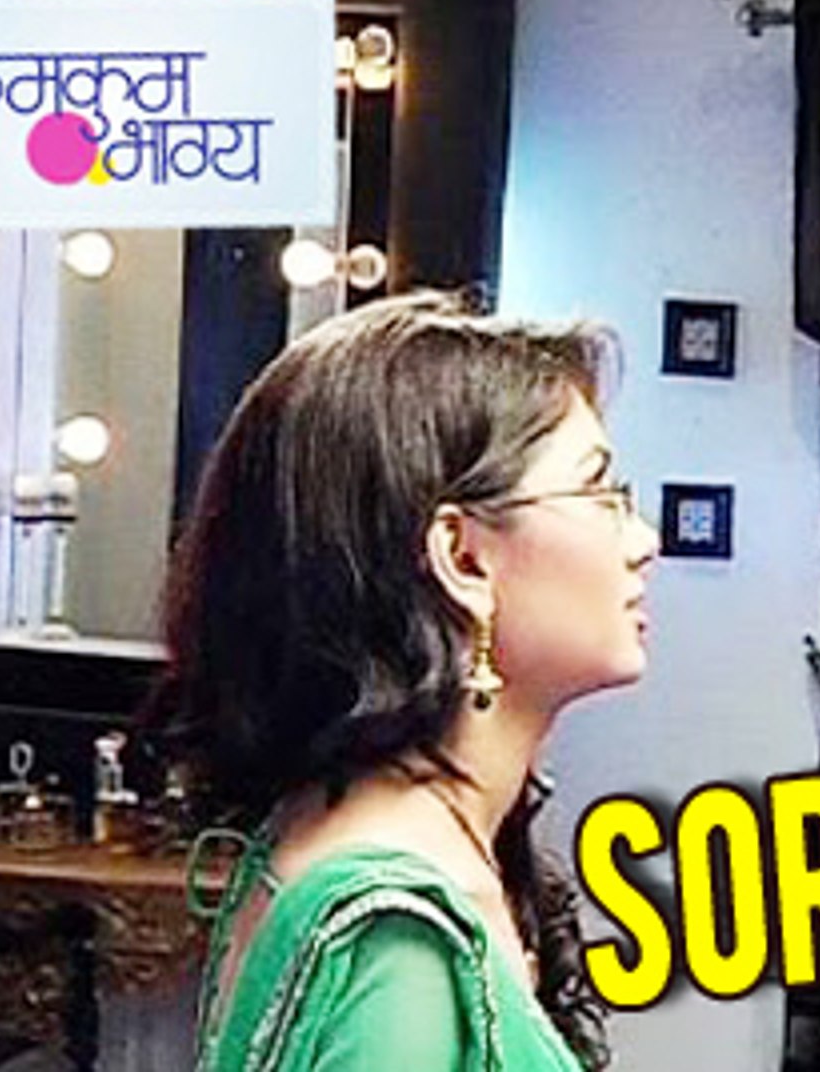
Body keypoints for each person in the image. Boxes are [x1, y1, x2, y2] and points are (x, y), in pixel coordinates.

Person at [144, 290, 658, 1071]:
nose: (643, 540)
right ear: (463, 559)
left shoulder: (381, 841)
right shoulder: (396, 946)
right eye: (600, 493)